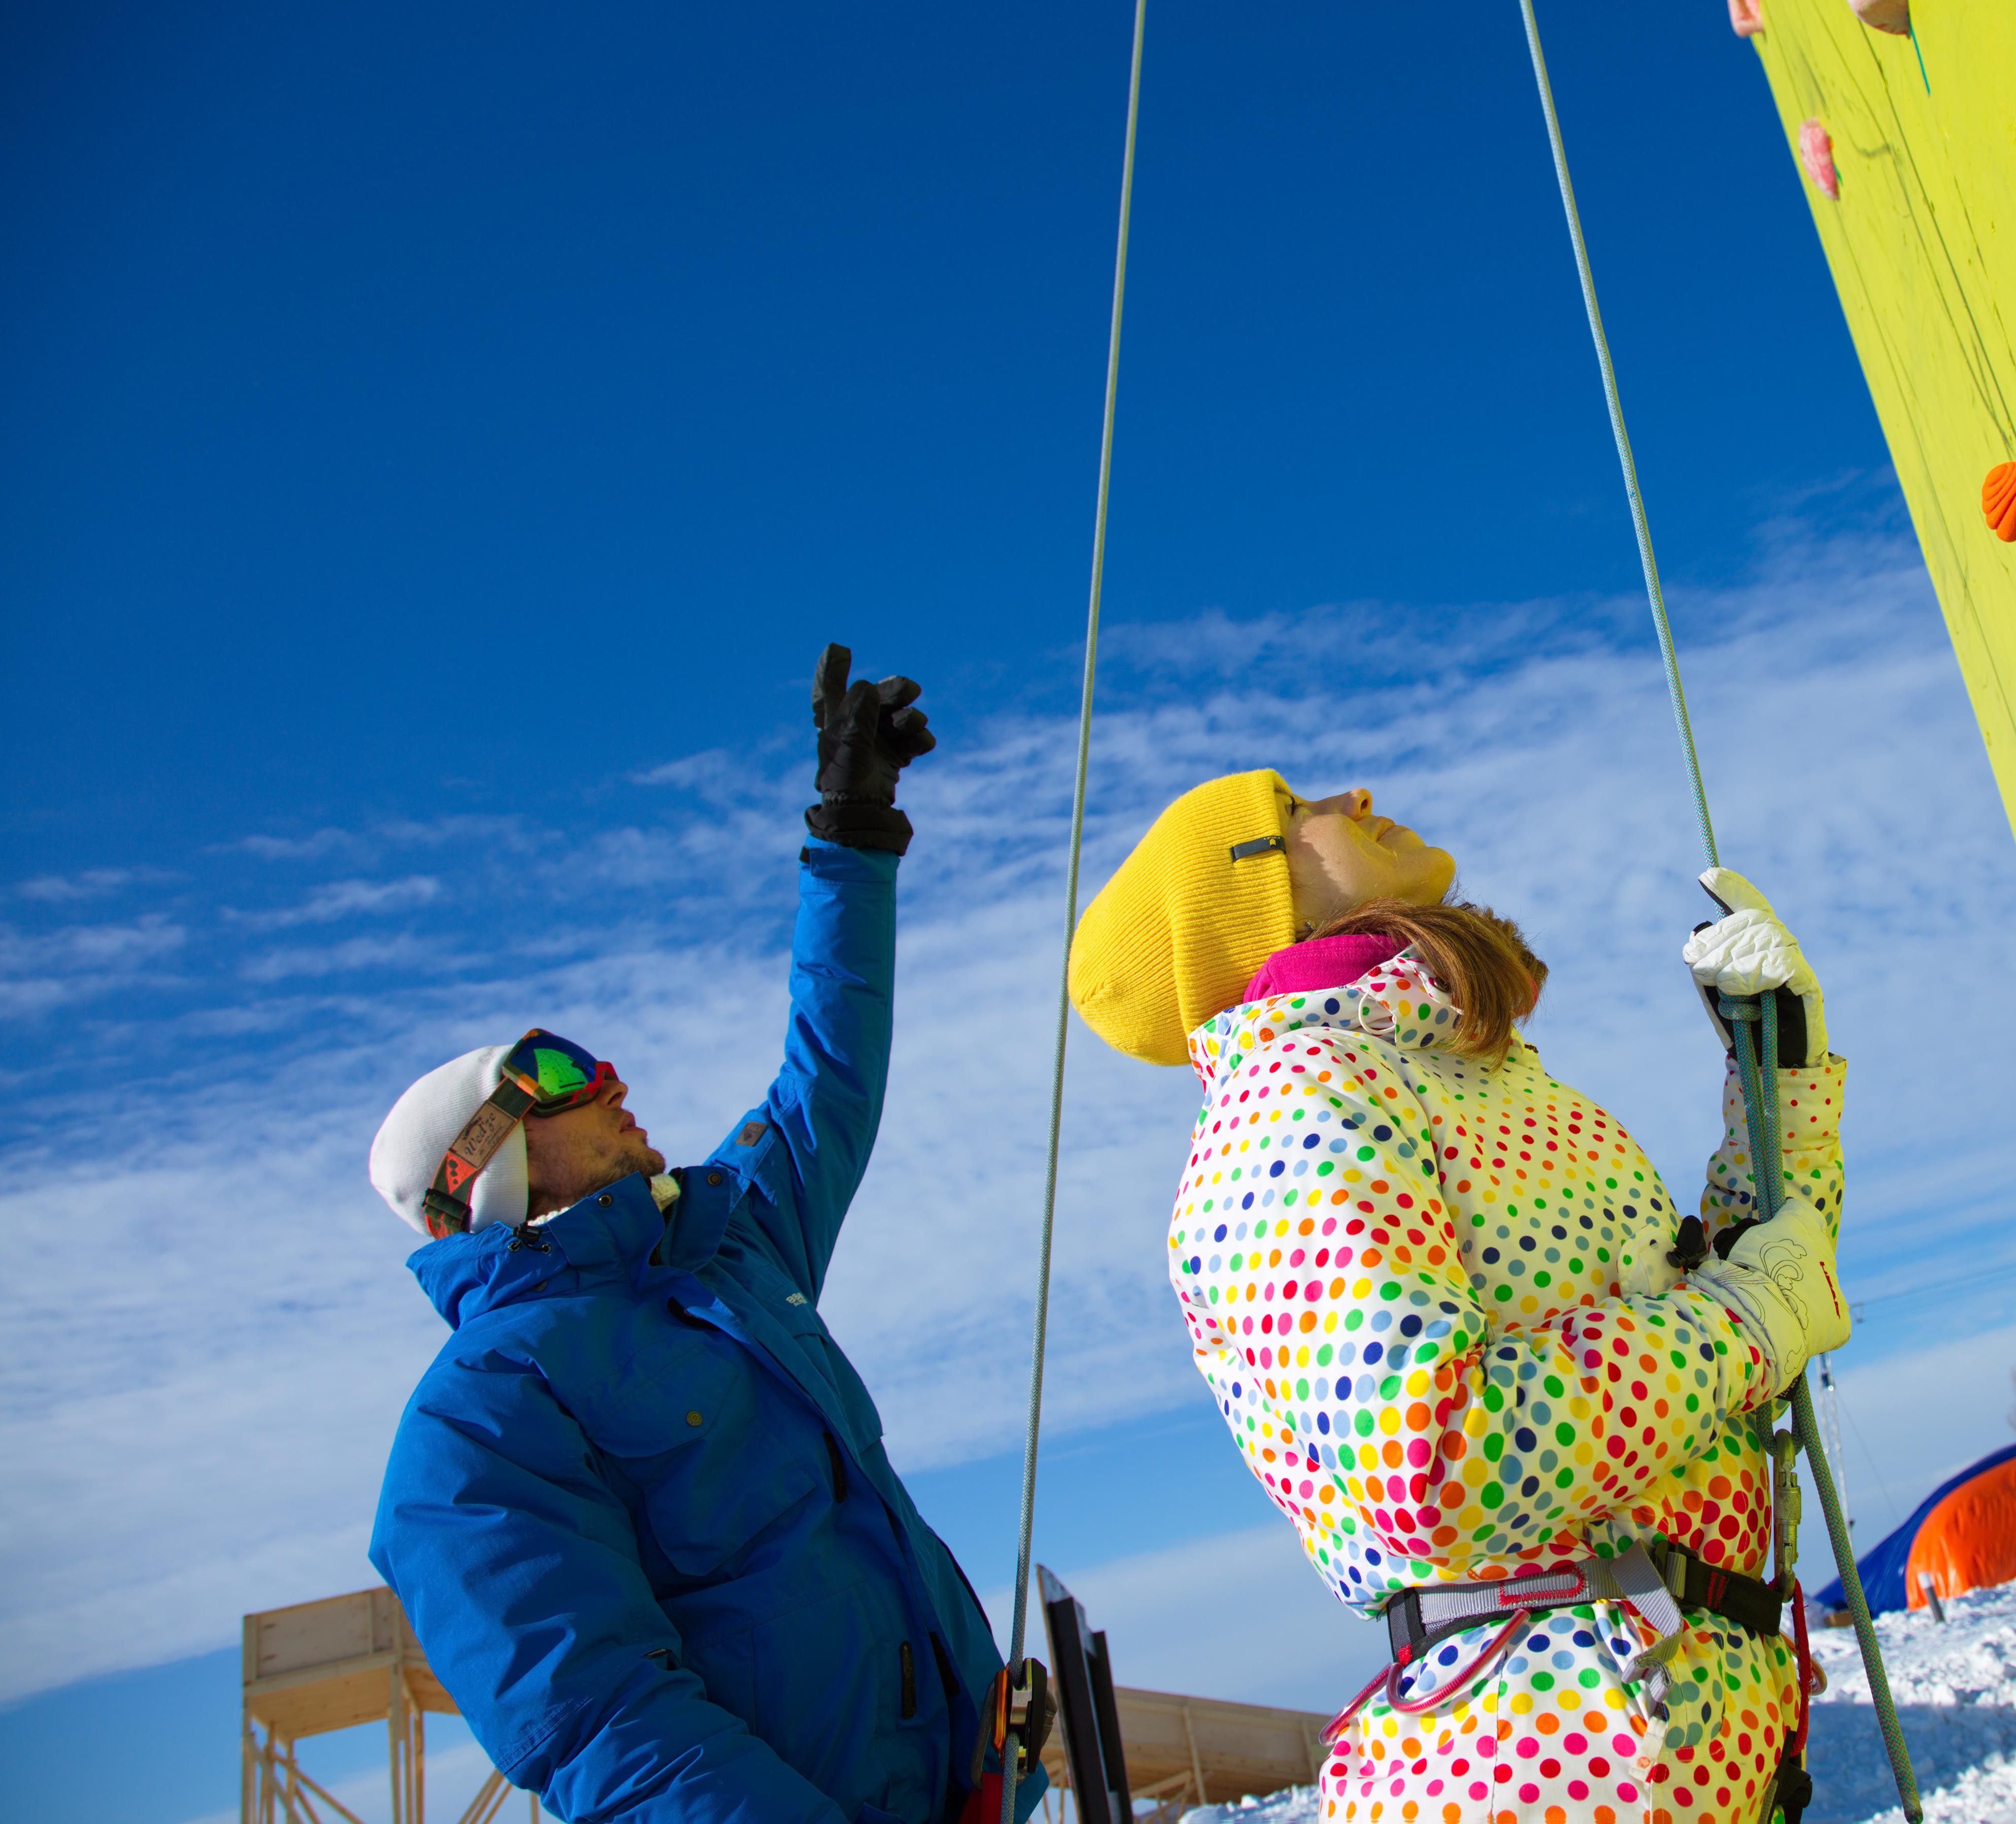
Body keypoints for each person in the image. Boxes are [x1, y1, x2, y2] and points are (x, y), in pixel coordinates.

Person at [1066, 771, 1851, 1824]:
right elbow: (1432, 1462)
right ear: (1255, 903)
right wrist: (1748, 1325)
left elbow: (1749, 1291)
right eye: (1296, 807)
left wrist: (1778, 1078)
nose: (1355, 792)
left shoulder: (1473, 1076)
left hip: (1664, 1724)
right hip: (1541, 1759)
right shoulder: (1292, 1106)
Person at [365, 648, 1031, 1824]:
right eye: (561, 1076)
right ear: (491, 1173)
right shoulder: (474, 1426)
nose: (612, 1078)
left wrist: (853, 837)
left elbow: (824, 1074)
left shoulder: (723, 1248)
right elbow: (601, 1722)